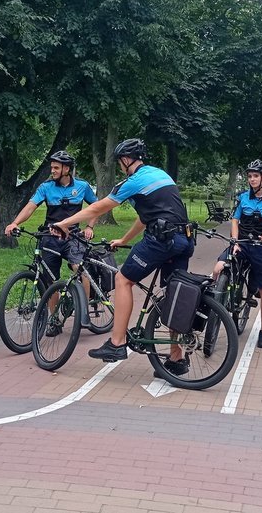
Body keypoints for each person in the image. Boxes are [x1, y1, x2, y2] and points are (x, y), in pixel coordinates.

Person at [51, 138, 195, 374]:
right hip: (184, 240)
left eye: (120, 161)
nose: (120, 166)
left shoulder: (133, 181)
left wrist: (64, 223)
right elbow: (145, 217)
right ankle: (176, 359)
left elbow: (98, 207)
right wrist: (125, 240)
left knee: (123, 279)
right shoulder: (160, 174)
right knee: (173, 294)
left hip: (161, 240)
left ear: (126, 160)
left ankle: (117, 343)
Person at [4, 151, 98, 321]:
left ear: (66, 169)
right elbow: (30, 207)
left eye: (56, 167)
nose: (52, 170)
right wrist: (15, 222)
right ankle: (54, 320)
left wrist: (89, 226)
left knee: (80, 269)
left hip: (72, 237)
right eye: (52, 167)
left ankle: (84, 314)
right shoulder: (46, 187)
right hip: (50, 238)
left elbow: (96, 207)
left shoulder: (82, 186)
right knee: (50, 280)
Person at [212, 159, 262, 348]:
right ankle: (215, 302)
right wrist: (234, 241)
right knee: (218, 268)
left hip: (261, 245)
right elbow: (235, 220)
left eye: (256, 176)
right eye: (250, 176)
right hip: (241, 243)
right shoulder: (242, 197)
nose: (252, 179)